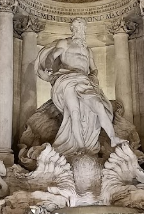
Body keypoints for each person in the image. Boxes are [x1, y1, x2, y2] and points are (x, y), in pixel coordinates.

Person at [35, 18, 124, 156]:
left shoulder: (88, 50)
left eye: (82, 28)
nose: (79, 31)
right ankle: (81, 147)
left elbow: (93, 68)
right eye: (77, 28)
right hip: (67, 80)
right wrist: (49, 68)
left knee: (99, 106)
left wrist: (93, 75)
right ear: (72, 29)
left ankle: (113, 138)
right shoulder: (65, 43)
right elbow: (52, 56)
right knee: (74, 113)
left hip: (84, 81)